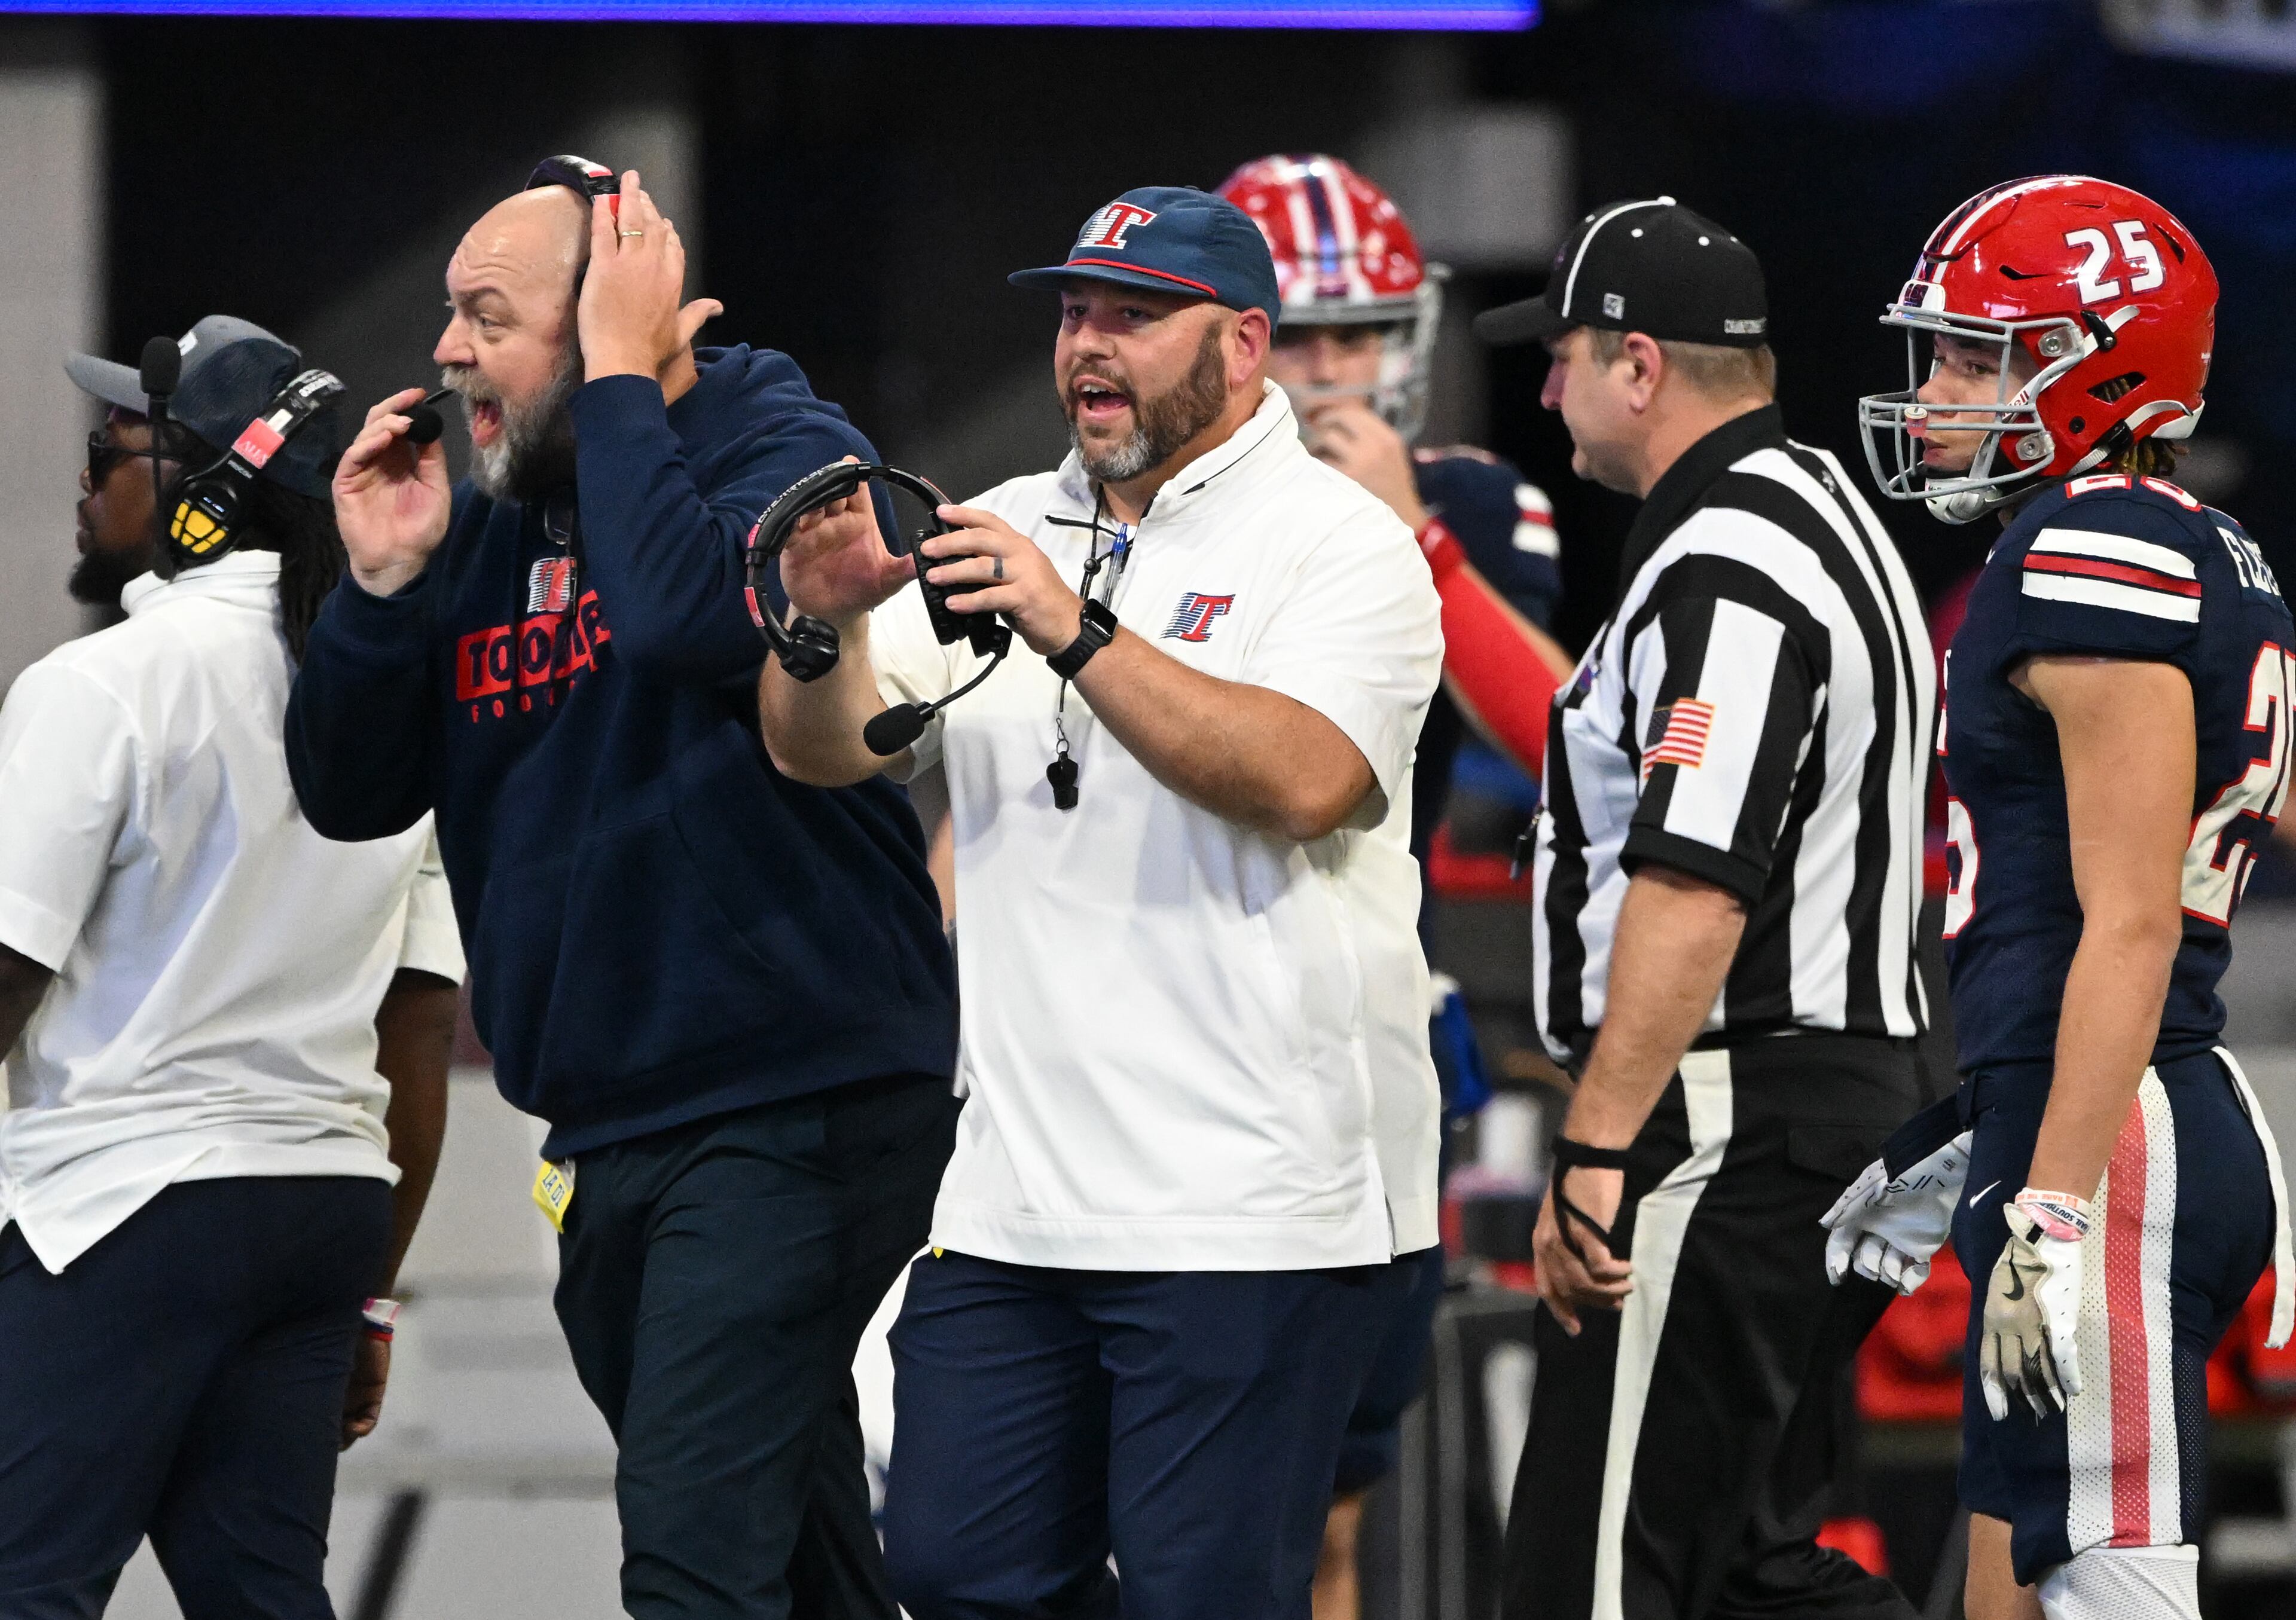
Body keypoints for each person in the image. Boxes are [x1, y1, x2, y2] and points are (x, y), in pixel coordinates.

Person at [282, 160, 959, 1619]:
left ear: (615, 319)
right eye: (447, 316)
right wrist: (384, 590)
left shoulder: (777, 436)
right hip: (609, 1128)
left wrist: (616, 385)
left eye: (486, 316)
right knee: (795, 1551)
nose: (447, 350)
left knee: (691, 1559)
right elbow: (348, 793)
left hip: (796, 1094)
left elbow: (675, 619)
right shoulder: (492, 517)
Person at [755, 185, 1443, 1620]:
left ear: (1244, 343)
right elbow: (822, 753)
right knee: (951, 1571)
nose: (1089, 344)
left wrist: (1073, 623)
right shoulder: (1003, 520)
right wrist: (816, 633)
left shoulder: (1342, 542)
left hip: (1248, 1204)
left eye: (1134, 316)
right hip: (1017, 1198)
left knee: (1208, 1597)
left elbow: (1304, 776)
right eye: (1074, 312)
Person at [1827, 175, 2292, 1620]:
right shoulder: (2202, 545)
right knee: (2002, 1587)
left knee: (2116, 1588)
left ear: (2105, 365)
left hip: (2117, 1133)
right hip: (2090, 1107)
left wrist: (2054, 1201)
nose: (1943, 389)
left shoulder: (2094, 548)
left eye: (1982, 356)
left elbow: (2135, 917)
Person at [1478, 198, 1935, 1620]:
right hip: (1839, 1098)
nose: (1542, 389)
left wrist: (1601, 1142)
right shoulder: (1822, 509)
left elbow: (1696, 876)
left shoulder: (1731, 556)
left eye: (1561, 357)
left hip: (1737, 1115)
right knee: (1750, 1568)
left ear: (1638, 364)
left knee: (1594, 1576)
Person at [0, 315, 463, 1619]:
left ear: (206, 494)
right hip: (318, 1214)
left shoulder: (106, 682)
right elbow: (414, 1041)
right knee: (261, 1598)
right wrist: (372, 1292)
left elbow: (4, 975)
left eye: (116, 446)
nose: (87, 475)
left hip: (127, 1206)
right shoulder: (384, 702)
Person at [1220, 151, 1576, 1620]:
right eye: (1296, 333)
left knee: (1326, 1503)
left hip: (1350, 1023)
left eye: (1356, 332)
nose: (1329, 369)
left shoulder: (1472, 508)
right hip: (1135, 1025)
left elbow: (1572, 743)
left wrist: (1410, 537)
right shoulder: (1103, 510)